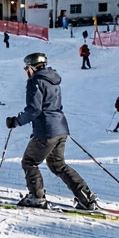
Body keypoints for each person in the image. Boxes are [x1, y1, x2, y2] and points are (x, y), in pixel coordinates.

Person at [6, 52, 98, 210]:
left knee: (29, 162)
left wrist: (16, 121)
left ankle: (36, 197)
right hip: (60, 128)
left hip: (47, 131)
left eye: (26, 68)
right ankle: (86, 198)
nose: (25, 72)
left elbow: (34, 110)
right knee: (58, 165)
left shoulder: (35, 81)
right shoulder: (53, 80)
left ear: (31, 68)